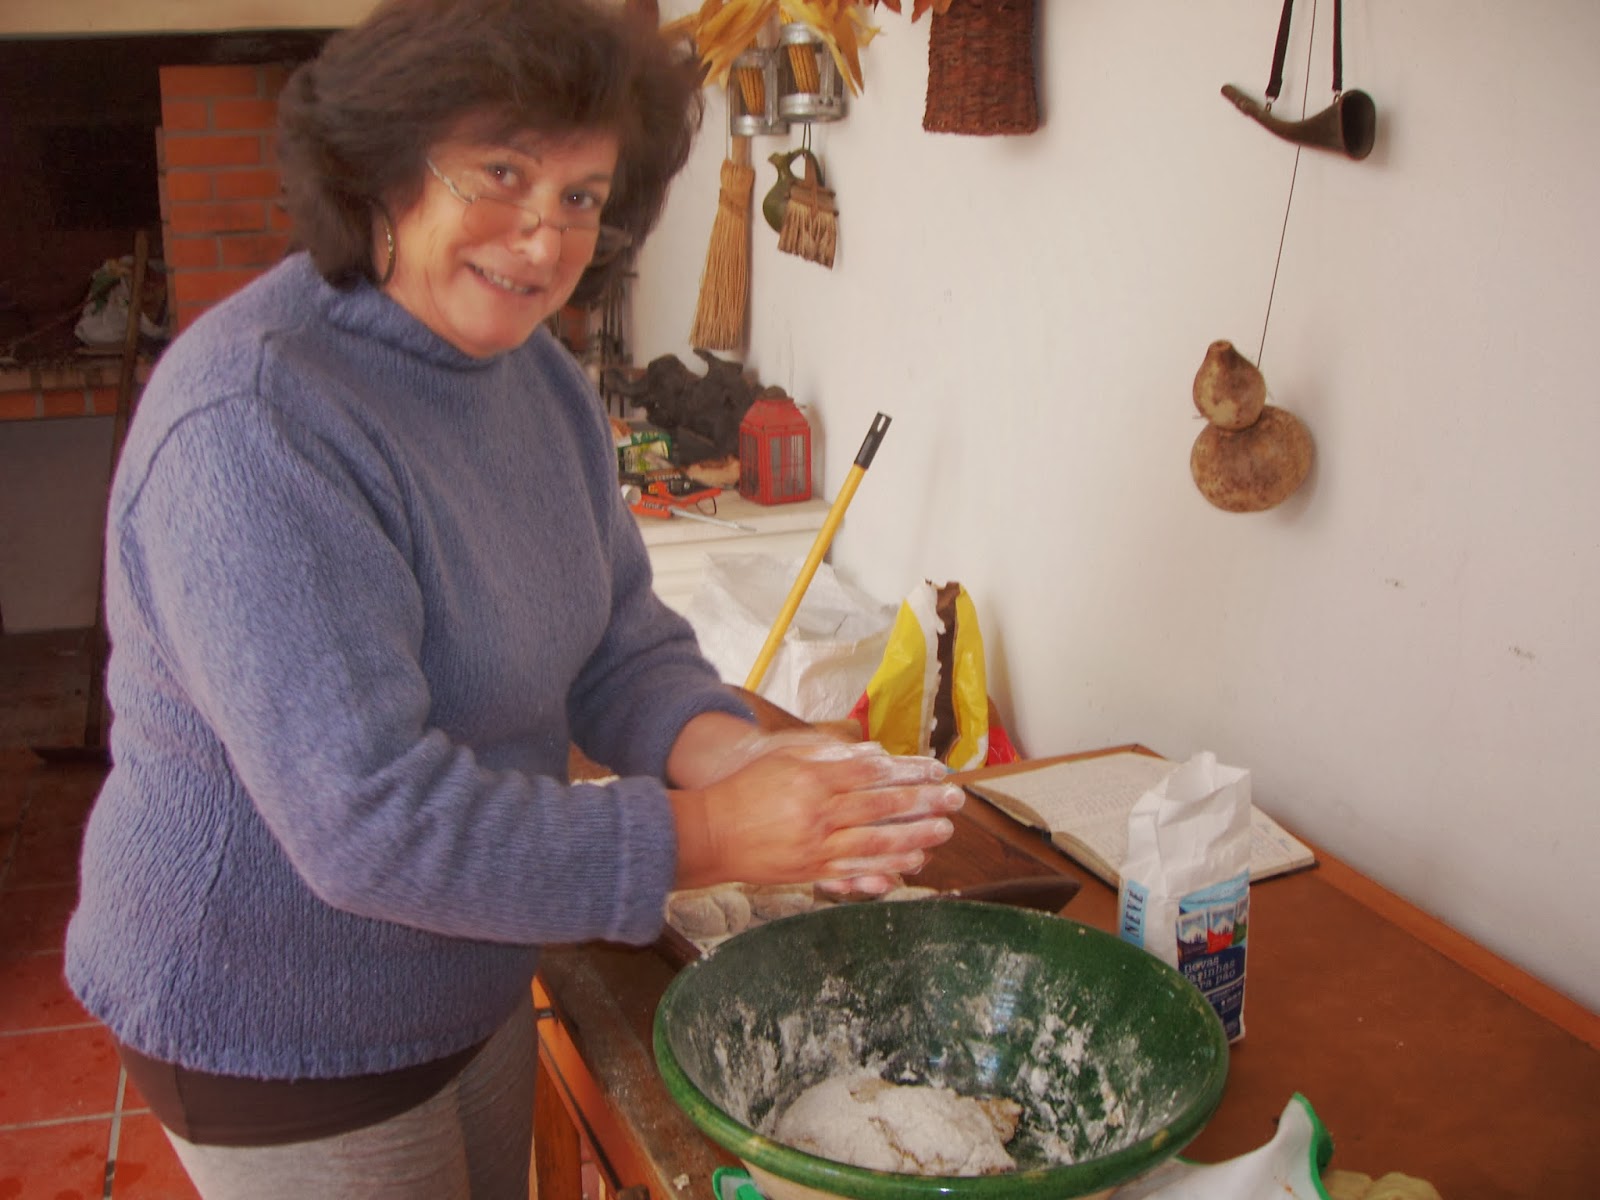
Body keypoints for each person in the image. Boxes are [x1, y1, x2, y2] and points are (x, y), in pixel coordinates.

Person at [62, 2, 962, 1196]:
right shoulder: (257, 420)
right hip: (272, 1019)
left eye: (582, 195)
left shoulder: (532, 376)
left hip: (468, 962)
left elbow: (619, 645)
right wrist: (711, 836)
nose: (544, 238)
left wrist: (732, 754)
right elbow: (369, 821)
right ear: (384, 166)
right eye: (501, 174)